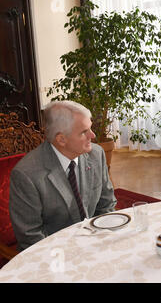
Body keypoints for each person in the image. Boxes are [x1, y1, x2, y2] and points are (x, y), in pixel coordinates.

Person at [9, 100, 116, 250]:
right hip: (54, 255)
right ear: (61, 139)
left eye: (90, 128)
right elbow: (31, 236)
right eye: (84, 132)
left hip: (95, 245)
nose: (92, 135)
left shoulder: (96, 154)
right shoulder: (26, 175)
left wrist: (101, 239)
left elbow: (106, 204)